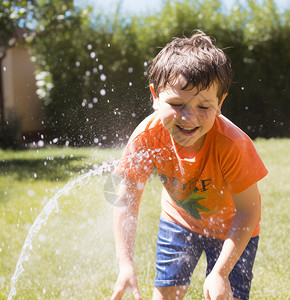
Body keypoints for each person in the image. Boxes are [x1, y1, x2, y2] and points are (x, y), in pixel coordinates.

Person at [111, 30, 268, 300]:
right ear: (155, 97)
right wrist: (125, 264)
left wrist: (220, 272)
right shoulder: (147, 136)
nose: (188, 117)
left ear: (220, 103)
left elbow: (248, 210)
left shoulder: (231, 144)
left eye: (203, 107)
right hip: (178, 221)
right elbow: (124, 198)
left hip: (232, 228)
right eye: (176, 103)